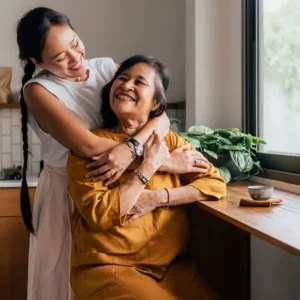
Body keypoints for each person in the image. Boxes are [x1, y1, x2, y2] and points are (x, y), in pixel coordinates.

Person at [16, 7, 210, 300]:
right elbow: (88, 147)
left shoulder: (107, 68)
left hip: (122, 185)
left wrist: (134, 148)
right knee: (66, 282)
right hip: (70, 191)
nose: (75, 58)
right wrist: (162, 160)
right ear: (37, 61)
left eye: (74, 42)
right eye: (60, 58)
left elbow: (160, 116)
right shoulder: (38, 90)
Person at [67, 55, 226, 300]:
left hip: (173, 269)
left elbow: (214, 185)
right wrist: (150, 165)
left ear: (155, 104)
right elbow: (103, 214)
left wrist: (158, 198)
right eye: (122, 78)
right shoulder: (91, 148)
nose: (126, 85)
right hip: (109, 269)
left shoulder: (170, 141)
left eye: (139, 82)